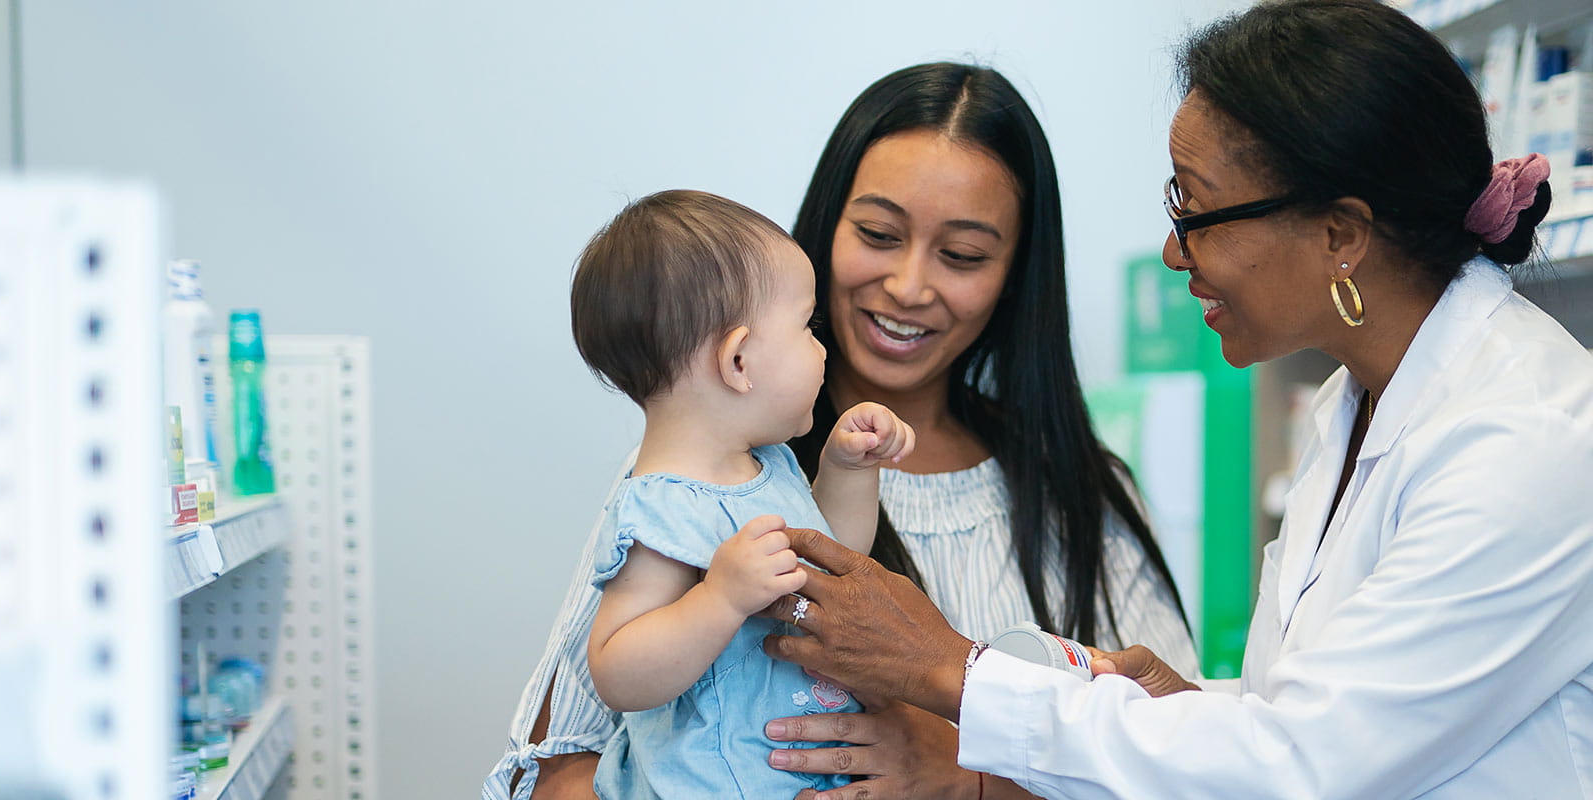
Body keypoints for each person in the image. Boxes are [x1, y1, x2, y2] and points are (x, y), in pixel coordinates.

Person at [757, 2, 1593, 798]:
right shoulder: (1357, 399)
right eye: (878, 234)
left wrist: (950, 672)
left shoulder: (1524, 442)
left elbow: (1307, 769)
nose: (1170, 249)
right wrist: (1197, 707)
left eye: (1195, 210)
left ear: (1341, 234)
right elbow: (1315, 716)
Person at [481, 63, 1197, 800]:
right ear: (827, 229)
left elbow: (1180, 764)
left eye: (962, 255)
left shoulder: (1083, 494)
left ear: (1016, 275)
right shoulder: (702, 475)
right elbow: (552, 766)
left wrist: (963, 776)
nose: (910, 286)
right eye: (880, 233)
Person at [566, 189, 916, 797]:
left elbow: (833, 560)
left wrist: (847, 469)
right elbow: (618, 670)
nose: (821, 347)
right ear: (737, 361)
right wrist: (720, 600)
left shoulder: (770, 466)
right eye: (807, 327)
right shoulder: (661, 507)